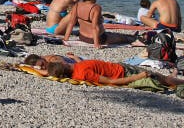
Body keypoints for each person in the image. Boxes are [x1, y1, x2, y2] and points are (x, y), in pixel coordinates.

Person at [63, 0, 134, 48]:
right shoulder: (96, 8)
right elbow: (95, 27)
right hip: (98, 38)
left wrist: (66, 38)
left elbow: (71, 23)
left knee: (113, 35)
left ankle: (133, 37)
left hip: (82, 37)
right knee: (123, 38)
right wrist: (96, 44)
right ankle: (136, 38)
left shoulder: (77, 5)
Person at [47, 59, 184, 88]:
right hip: (123, 72)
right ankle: (178, 81)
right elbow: (110, 81)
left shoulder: (74, 69)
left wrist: (76, 58)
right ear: (63, 67)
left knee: (162, 76)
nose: (63, 61)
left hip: (119, 67)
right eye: (61, 62)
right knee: (160, 78)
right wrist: (138, 77)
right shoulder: (83, 74)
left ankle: (173, 77)